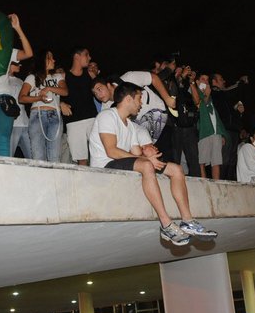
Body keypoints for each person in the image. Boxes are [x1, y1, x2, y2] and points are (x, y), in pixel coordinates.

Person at [89, 82, 217, 246]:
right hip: (105, 165)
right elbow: (111, 151)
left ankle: (187, 221)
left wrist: (146, 153)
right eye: (139, 98)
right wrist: (145, 160)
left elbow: (135, 155)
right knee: (147, 165)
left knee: (176, 169)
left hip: (124, 162)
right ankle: (166, 224)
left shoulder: (131, 126)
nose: (141, 103)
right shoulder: (107, 116)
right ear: (128, 99)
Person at [0, 14, 33, 155]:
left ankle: (3, 175)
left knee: (3, 139)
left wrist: (17, 28)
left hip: (4, 99)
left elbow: (28, 53)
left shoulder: (8, 51)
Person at [19, 50, 68, 162]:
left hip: (55, 115)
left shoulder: (58, 76)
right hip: (37, 115)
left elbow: (65, 91)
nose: (54, 60)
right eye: (50, 58)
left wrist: (49, 88)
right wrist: (39, 98)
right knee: (38, 156)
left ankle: (53, 179)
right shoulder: (32, 77)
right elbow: (21, 97)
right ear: (43, 60)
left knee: (54, 156)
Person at [62, 46, 98, 165]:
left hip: (92, 119)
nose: (89, 57)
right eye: (86, 54)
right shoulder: (63, 77)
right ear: (77, 56)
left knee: (100, 152)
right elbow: (54, 95)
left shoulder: (90, 75)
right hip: (73, 121)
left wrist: (96, 79)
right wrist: (60, 103)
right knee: (81, 159)